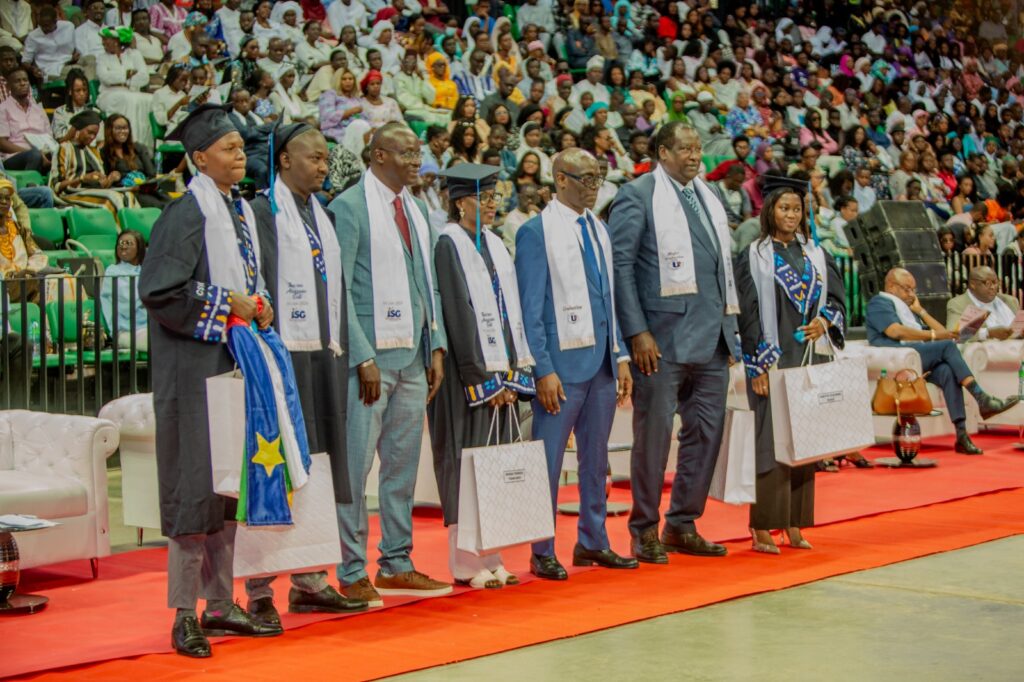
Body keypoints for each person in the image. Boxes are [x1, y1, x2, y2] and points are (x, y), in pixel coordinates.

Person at [139, 104, 284, 659]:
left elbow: (252, 282)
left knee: (228, 488)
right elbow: (158, 290)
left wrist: (260, 308)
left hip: (234, 365)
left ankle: (222, 606)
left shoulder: (242, 212)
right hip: (192, 371)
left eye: (241, 147)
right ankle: (184, 614)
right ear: (199, 158)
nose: (239, 156)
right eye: (227, 148)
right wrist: (229, 303)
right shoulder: (185, 213)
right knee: (193, 490)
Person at [243, 122, 369, 623]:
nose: (321, 166)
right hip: (280, 356)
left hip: (324, 355)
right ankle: (257, 588)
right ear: (284, 160)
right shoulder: (260, 213)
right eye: (312, 157)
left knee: (317, 464)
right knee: (277, 463)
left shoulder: (324, 216)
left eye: (325, 158)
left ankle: (310, 578)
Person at [328, 121, 449, 607]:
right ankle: (351, 568)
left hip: (415, 357)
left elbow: (428, 283)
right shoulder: (349, 207)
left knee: (401, 469)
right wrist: (362, 356)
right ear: (378, 155)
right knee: (356, 470)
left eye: (418, 151)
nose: (416, 159)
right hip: (371, 362)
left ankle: (396, 562)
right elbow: (338, 290)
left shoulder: (417, 210)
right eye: (407, 152)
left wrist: (436, 343)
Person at [609, 122, 740, 563]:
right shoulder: (638, 194)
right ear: (662, 152)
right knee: (655, 437)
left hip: (713, 337)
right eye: (684, 147)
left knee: (705, 433)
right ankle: (644, 527)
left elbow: (724, 265)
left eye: (698, 147)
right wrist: (637, 332)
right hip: (660, 341)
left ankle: (682, 522)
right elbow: (621, 266)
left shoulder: (710, 195)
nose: (694, 154)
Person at [515, 148, 637, 580]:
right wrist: (542, 369)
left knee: (596, 458)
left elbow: (611, 299)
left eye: (597, 178)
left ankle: (593, 540)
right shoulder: (535, 233)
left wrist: (620, 355)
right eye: (584, 179)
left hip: (602, 361)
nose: (593, 186)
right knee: (548, 463)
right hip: (560, 370)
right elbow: (530, 309)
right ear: (560, 179)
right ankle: (541, 548)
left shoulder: (599, 229)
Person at [428, 163, 534, 589]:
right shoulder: (447, 244)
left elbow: (509, 312)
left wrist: (510, 372)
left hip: (500, 373)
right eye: (484, 197)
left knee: (496, 465)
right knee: (466, 464)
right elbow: (457, 312)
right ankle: (466, 563)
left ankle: (493, 556)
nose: (494, 204)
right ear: (460, 202)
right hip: (465, 375)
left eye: (495, 196)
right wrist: (482, 379)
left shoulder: (494, 243)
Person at [735, 178, 847, 554]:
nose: (791, 215)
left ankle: (796, 524)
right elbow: (747, 315)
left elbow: (836, 298)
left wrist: (826, 322)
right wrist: (757, 367)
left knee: (805, 441)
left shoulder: (815, 254)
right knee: (769, 443)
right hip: (772, 357)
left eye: (796, 209)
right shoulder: (755, 255)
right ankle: (763, 526)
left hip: (807, 357)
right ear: (770, 211)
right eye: (784, 208)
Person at [865, 267, 1019, 455]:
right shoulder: (880, 302)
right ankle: (981, 397)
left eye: (914, 290)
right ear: (891, 286)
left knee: (947, 370)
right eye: (907, 289)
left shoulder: (906, 308)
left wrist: (920, 311)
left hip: (918, 354)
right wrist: (934, 335)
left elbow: (946, 335)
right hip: (900, 354)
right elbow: (895, 331)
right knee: (946, 347)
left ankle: (961, 435)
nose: (911, 294)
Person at [49, 110, 139, 216]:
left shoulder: (94, 151)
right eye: (89, 132)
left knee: (129, 195)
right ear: (79, 130)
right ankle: (119, 232)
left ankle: (134, 231)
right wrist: (82, 178)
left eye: (95, 134)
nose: (92, 137)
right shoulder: (64, 148)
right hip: (70, 193)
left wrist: (111, 178)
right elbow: (56, 186)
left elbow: (103, 184)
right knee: (112, 198)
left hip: (95, 190)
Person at [96, 26, 155, 149]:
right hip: (109, 94)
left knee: (150, 99)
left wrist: (126, 82)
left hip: (131, 90)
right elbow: (105, 77)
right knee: (129, 99)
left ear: (117, 41)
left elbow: (144, 77)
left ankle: (145, 146)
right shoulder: (101, 58)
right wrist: (126, 75)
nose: (103, 42)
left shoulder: (134, 54)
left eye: (106, 39)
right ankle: (130, 144)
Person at [101, 115, 170, 209]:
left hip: (144, 189)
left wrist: (145, 185)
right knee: (158, 206)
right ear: (109, 130)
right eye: (118, 128)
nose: (123, 131)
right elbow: (105, 182)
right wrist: (111, 179)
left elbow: (151, 174)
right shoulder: (104, 153)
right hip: (125, 193)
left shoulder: (138, 148)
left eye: (125, 128)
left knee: (172, 204)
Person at [100, 230, 149, 352]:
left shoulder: (146, 270)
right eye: (120, 243)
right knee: (158, 341)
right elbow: (127, 305)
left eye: (128, 243)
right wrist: (149, 299)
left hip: (148, 328)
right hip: (125, 331)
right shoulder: (113, 272)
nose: (123, 246)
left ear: (139, 248)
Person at [946, 266, 1020, 341]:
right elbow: (954, 335)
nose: (993, 287)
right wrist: (988, 333)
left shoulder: (1010, 301)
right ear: (973, 284)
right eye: (987, 283)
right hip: (983, 350)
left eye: (995, 282)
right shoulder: (959, 303)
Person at [0, 69, 50, 173]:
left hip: (43, 153)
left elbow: (49, 137)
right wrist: (30, 151)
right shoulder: (3, 109)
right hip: (15, 157)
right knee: (34, 155)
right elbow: (2, 143)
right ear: (9, 87)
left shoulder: (39, 109)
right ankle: (29, 186)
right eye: (17, 81)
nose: (23, 83)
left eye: (25, 80)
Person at [51, 70, 98, 143]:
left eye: (84, 90)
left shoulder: (95, 112)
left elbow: (101, 140)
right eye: (78, 90)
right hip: (69, 151)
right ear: (70, 91)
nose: (82, 94)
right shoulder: (60, 112)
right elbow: (60, 140)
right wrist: (76, 126)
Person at [319, 69, 363, 142]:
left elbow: (363, 117)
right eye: (344, 79)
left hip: (356, 131)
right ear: (338, 81)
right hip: (335, 132)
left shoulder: (356, 99)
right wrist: (350, 112)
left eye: (350, 79)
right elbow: (327, 117)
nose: (348, 81)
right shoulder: (330, 95)